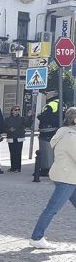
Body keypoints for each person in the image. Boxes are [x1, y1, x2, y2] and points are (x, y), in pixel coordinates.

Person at [29, 106, 76, 249]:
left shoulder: (63, 133)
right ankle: (36, 237)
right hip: (67, 178)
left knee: (52, 208)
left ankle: (37, 237)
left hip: (67, 176)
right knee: (52, 208)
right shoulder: (70, 136)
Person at [37, 91, 60, 177]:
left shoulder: (50, 105)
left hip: (48, 131)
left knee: (46, 150)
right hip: (57, 130)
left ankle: (46, 169)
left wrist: (39, 116)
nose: (46, 95)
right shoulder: (62, 103)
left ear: (52, 96)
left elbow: (44, 117)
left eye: (48, 94)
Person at [4, 106, 27, 173]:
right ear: (12, 111)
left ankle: (18, 167)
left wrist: (29, 116)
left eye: (18, 110)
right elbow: (4, 127)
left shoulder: (22, 118)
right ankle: (13, 167)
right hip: (11, 137)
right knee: (12, 153)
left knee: (18, 153)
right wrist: (9, 130)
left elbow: (28, 124)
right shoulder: (7, 119)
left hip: (19, 137)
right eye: (15, 110)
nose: (17, 111)